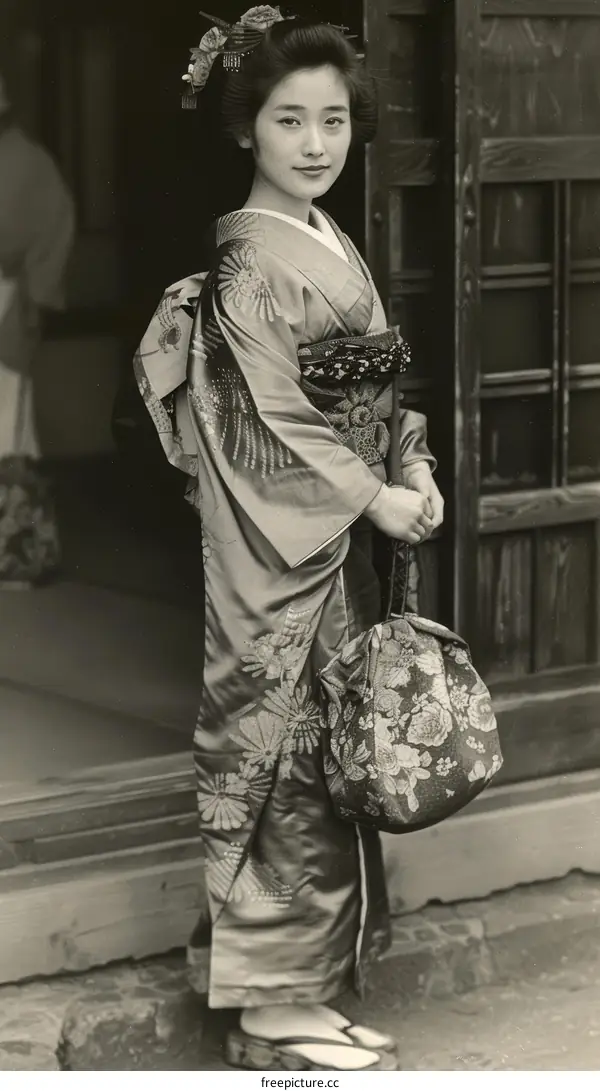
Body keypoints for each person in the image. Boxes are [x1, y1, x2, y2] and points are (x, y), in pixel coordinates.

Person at [135, 7, 444, 1072]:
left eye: (332, 121)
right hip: (279, 559)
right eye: (287, 121)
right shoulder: (244, 273)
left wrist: (413, 465)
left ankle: (305, 988)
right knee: (284, 762)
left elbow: (373, 387)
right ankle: (270, 1009)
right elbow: (268, 419)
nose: (316, 144)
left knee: (337, 758)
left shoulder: (322, 242)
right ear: (245, 129)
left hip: (338, 540)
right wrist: (372, 496)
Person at [0, 70, 75, 588]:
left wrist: (33, 300)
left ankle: (18, 552)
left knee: (9, 427)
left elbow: (55, 229)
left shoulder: (27, 162)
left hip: (8, 297)